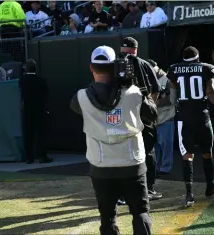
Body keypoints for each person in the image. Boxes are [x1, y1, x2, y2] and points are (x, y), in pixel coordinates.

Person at [70, 45, 155, 235]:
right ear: (115, 67)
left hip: (101, 166)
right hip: (132, 162)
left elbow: (81, 106)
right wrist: (137, 85)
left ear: (91, 68)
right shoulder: (134, 93)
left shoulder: (80, 97)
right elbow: (152, 115)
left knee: (107, 218)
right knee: (140, 212)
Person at [167, 46, 214, 207]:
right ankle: (210, 187)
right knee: (206, 153)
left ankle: (189, 195)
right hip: (202, 116)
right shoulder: (206, 68)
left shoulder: (174, 69)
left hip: (184, 118)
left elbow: (172, 97)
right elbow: (213, 98)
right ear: (197, 58)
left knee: (187, 155)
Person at [120, 37, 162, 201]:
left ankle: (123, 193)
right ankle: (148, 189)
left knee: (123, 154)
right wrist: (149, 108)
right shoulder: (144, 64)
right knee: (148, 152)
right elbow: (156, 90)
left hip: (122, 117)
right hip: (143, 117)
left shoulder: (115, 64)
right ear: (135, 50)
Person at [19, 59, 52, 164]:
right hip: (39, 110)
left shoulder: (22, 81)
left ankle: (29, 157)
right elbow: (46, 95)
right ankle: (42, 156)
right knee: (41, 133)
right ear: (36, 68)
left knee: (28, 134)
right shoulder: (41, 81)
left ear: (25, 68)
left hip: (27, 110)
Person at [147, 59, 176, 176]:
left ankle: (165, 167)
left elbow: (172, 100)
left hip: (166, 117)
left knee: (166, 145)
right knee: (154, 147)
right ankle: (154, 167)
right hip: (153, 119)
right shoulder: (147, 79)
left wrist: (155, 102)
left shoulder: (167, 79)